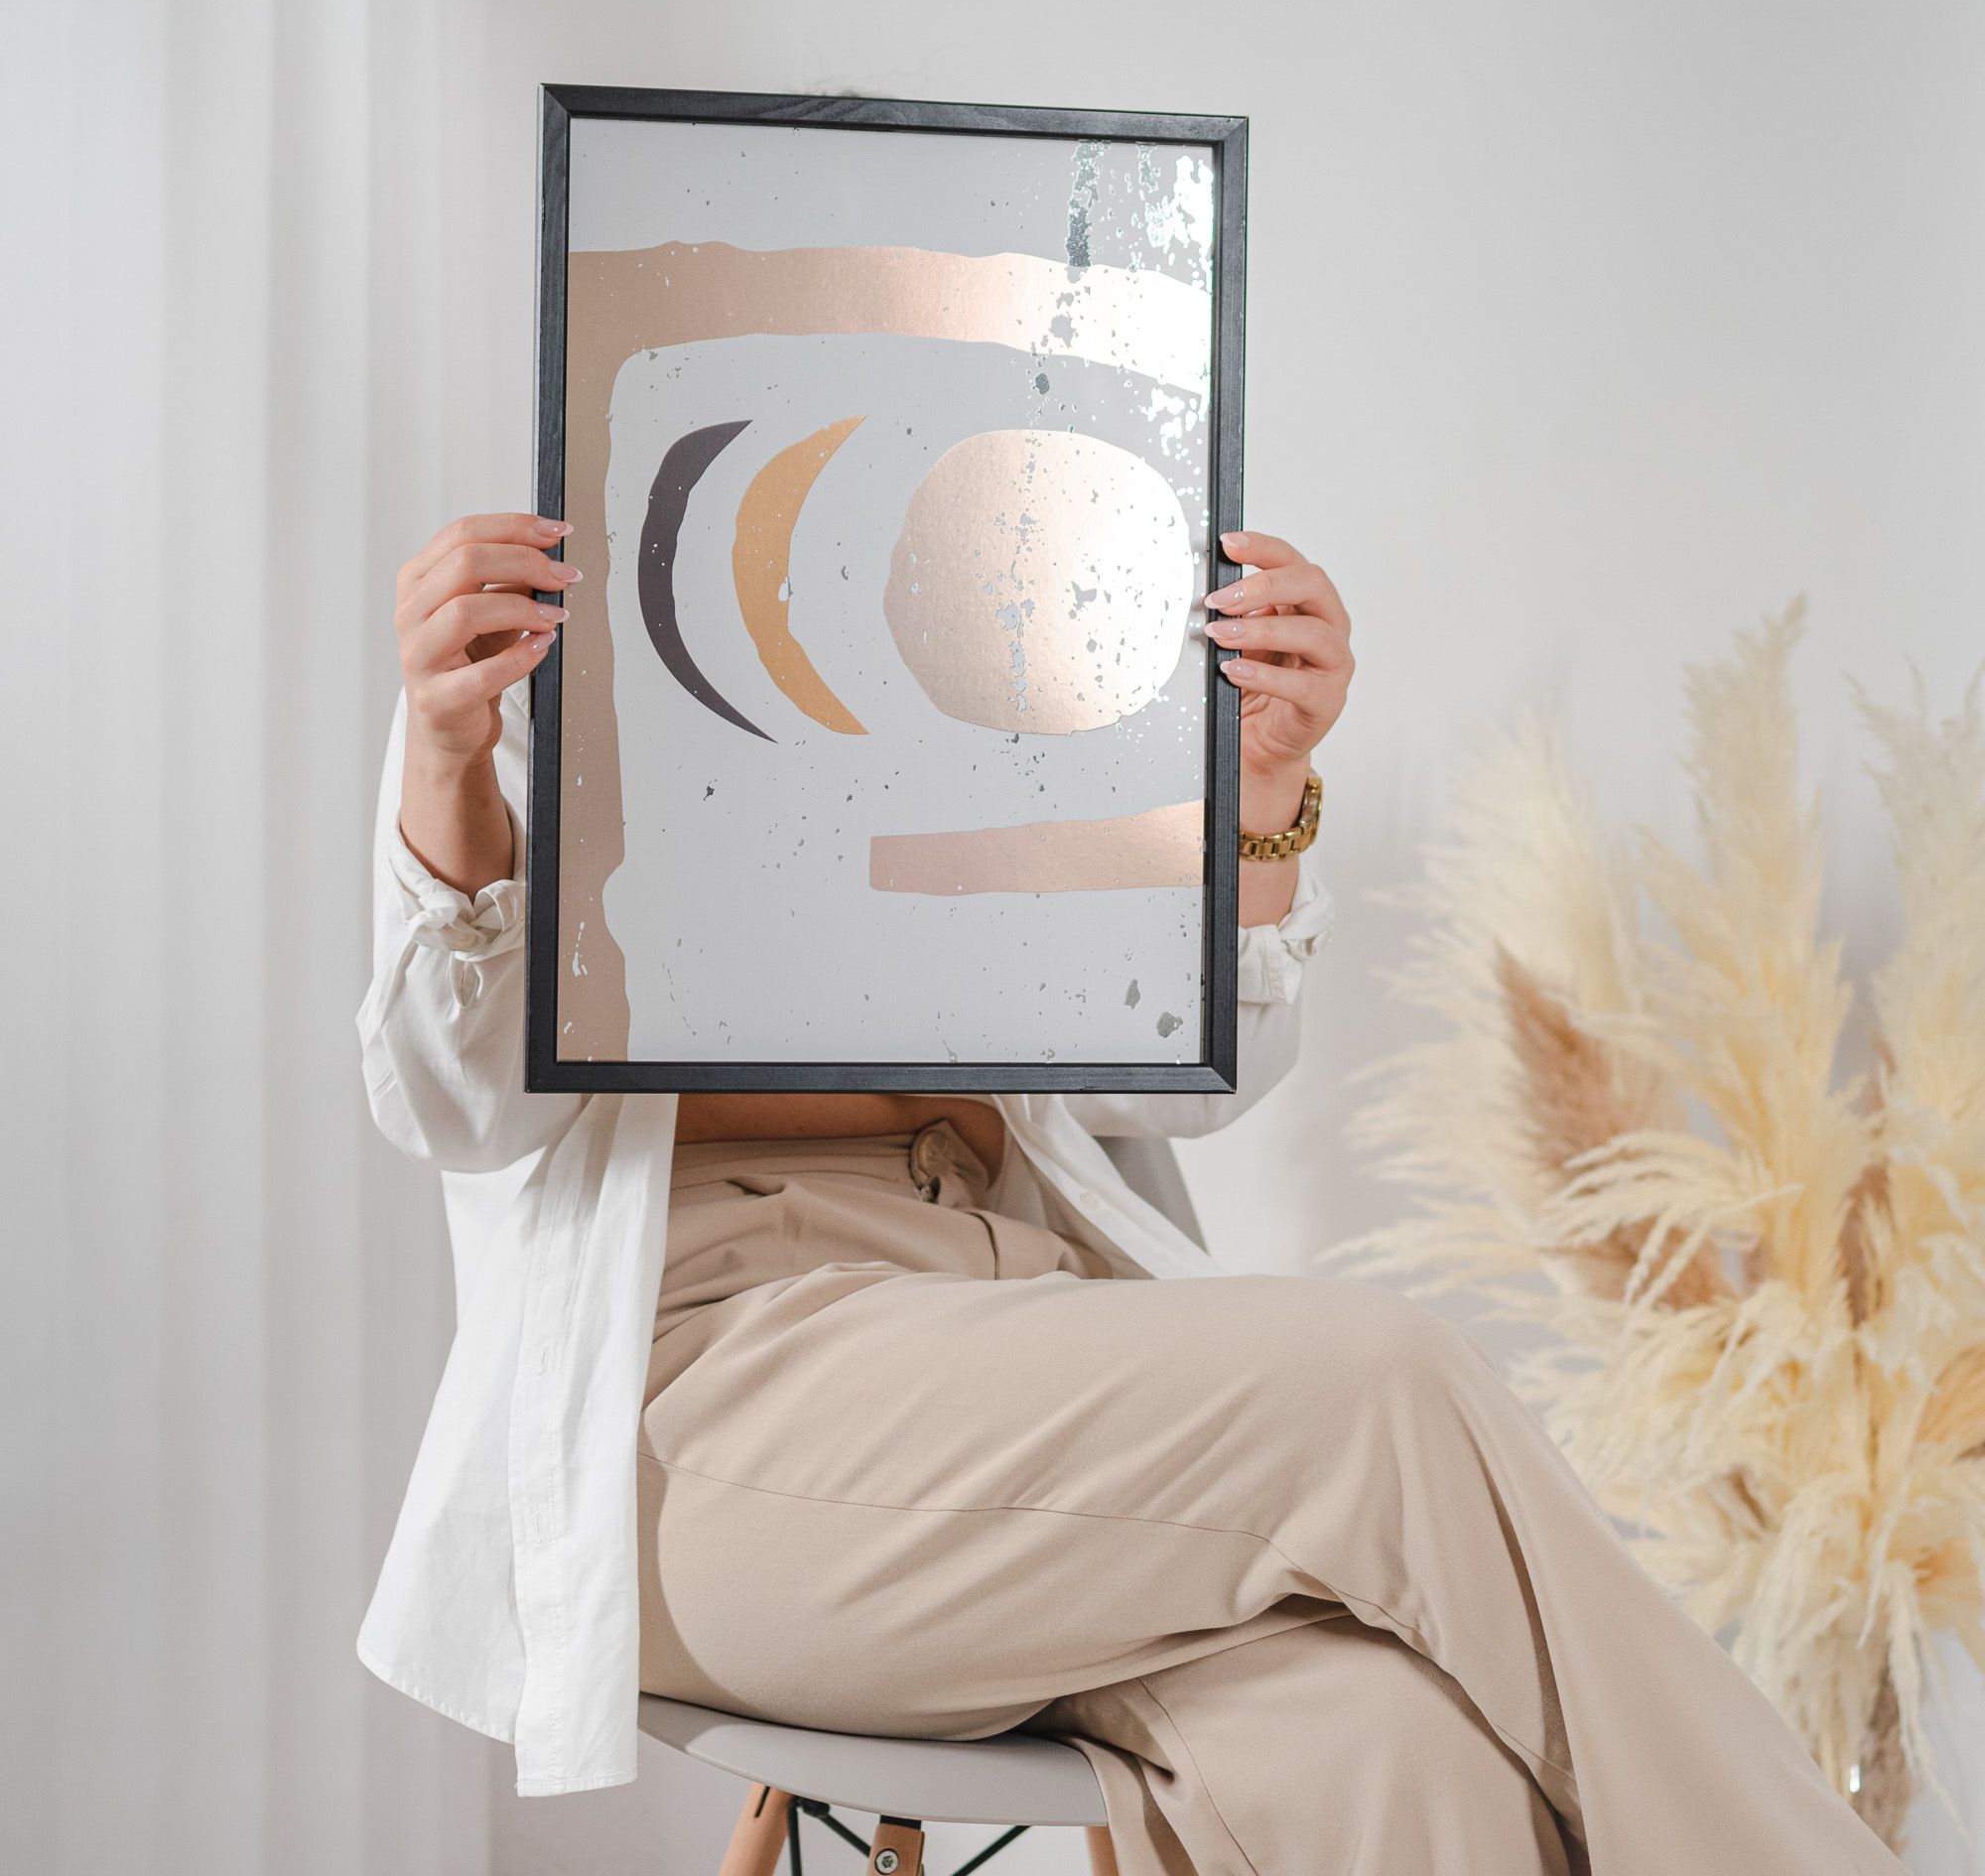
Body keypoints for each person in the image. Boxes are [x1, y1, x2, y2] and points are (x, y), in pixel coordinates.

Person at [358, 512, 1903, 1875]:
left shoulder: (1007, 600)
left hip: (1018, 1377)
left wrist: (1261, 787)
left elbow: (1184, 1074)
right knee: (1380, 1386)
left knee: (1387, 1748)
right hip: (708, 1407)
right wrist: (444, 754)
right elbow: (453, 1097)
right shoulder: (575, 615)